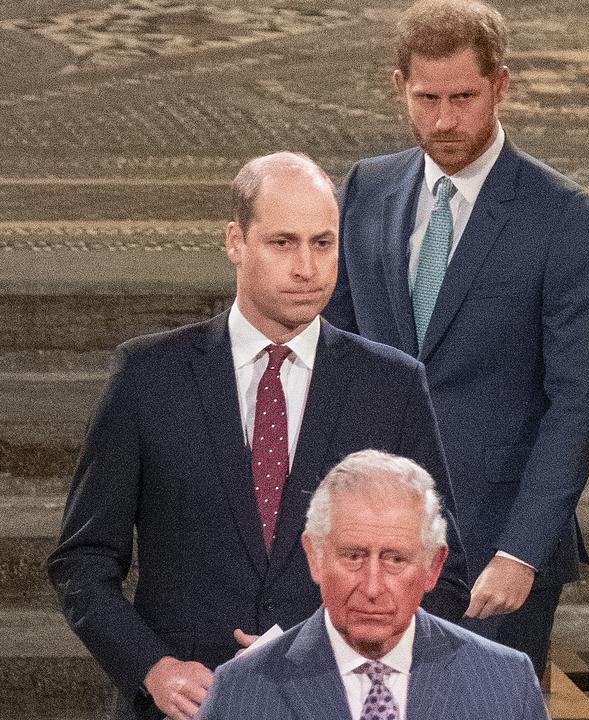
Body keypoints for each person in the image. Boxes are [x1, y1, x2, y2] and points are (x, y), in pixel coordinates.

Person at [47, 152, 469, 720]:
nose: (306, 268)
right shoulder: (150, 377)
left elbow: (443, 576)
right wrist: (151, 668)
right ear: (235, 242)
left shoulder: (391, 386)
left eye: (323, 244)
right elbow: (83, 561)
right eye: (282, 243)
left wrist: (341, 661)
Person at [324, 0, 589, 675]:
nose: (445, 119)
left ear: (500, 87)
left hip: (498, 557)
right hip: (374, 550)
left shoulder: (563, 218)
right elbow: (332, 364)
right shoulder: (366, 190)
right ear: (399, 87)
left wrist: (522, 551)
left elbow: (578, 400)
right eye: (427, 99)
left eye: (464, 97)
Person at [201, 450, 547, 720]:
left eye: (395, 560)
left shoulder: (505, 682)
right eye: (353, 556)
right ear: (315, 557)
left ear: (433, 567)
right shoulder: (241, 689)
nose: (372, 587)